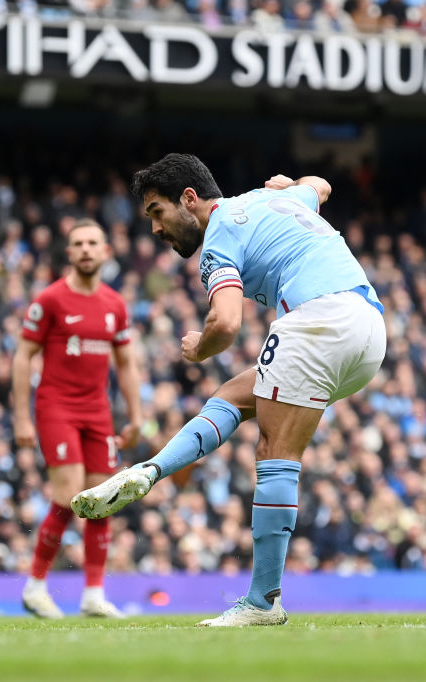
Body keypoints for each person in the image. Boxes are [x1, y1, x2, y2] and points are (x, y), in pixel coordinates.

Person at [72, 154, 386, 626]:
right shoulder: (267, 199)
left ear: (190, 199)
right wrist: (293, 181)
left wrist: (199, 347)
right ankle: (153, 469)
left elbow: (226, 322)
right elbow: (320, 185)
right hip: (369, 330)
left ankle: (262, 603)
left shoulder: (218, 237)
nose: (155, 229)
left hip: (320, 318)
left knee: (273, 450)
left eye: (157, 212)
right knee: (236, 397)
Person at [12, 218, 142, 619]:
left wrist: (136, 415)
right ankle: (35, 586)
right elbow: (22, 357)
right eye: (78, 243)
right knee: (68, 494)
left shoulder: (114, 305)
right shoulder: (49, 300)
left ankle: (93, 595)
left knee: (101, 500)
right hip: (56, 407)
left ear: (106, 251)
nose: (86, 249)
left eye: (93, 243)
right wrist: (21, 417)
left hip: (97, 412)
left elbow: (126, 363)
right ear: (69, 253)